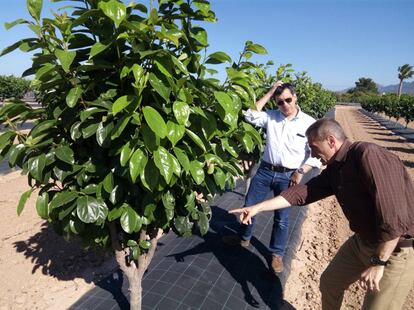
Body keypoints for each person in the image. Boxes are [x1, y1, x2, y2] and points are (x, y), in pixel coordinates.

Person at [229, 118, 414, 310]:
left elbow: (395, 218)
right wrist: (257, 207)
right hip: (363, 242)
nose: (313, 154)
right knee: (330, 283)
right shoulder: (336, 168)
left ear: (331, 141)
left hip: (395, 250)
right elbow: (301, 194)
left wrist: (379, 262)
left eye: (314, 147)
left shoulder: (368, 155)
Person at [223, 81, 320, 274]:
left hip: (289, 175)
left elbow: (315, 154)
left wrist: (301, 171)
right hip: (265, 171)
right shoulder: (271, 117)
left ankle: (276, 254)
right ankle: (244, 238)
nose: (285, 105)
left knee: (282, 218)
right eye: (280, 102)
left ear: (296, 97)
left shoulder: (309, 123)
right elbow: (249, 114)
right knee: (249, 205)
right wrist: (269, 92)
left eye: (288, 100)